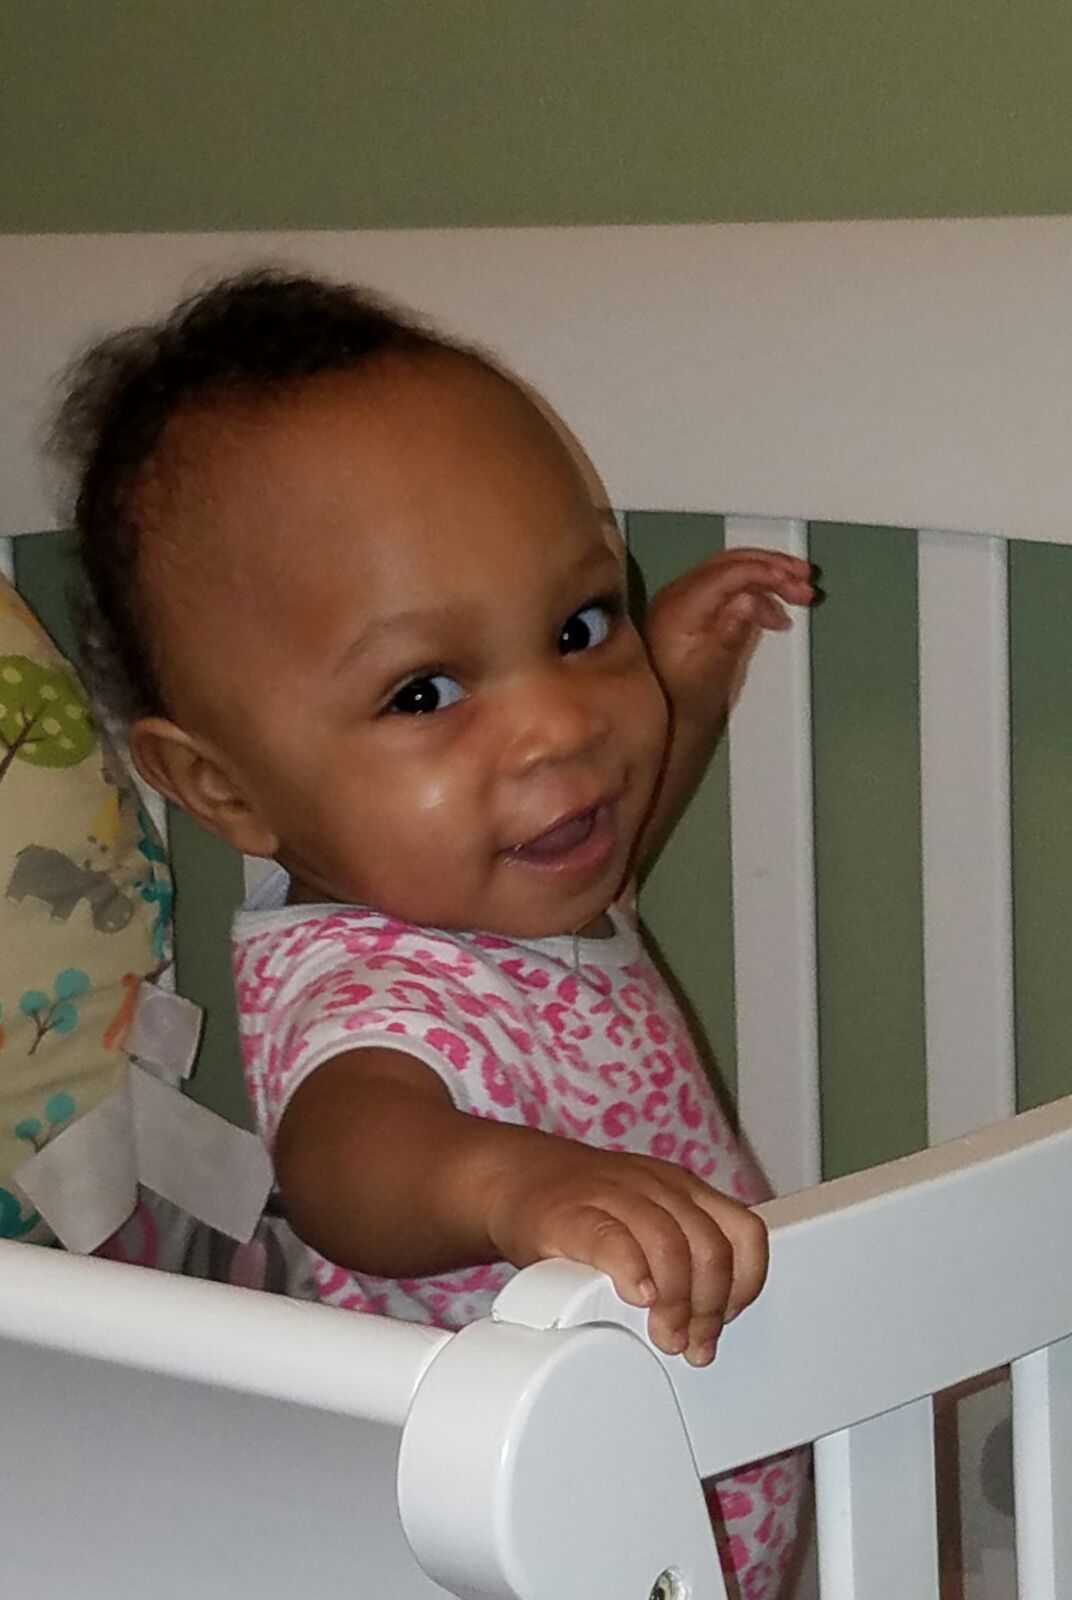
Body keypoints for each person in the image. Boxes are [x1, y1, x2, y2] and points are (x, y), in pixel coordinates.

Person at [57, 269, 814, 1596]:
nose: (562, 725)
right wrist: (510, 1187)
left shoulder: (506, 882)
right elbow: (346, 1159)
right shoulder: (366, 982)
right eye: (424, 691)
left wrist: (684, 689)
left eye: (579, 626)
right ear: (224, 788)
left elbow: (608, 868)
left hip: (670, 1505)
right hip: (505, 1542)